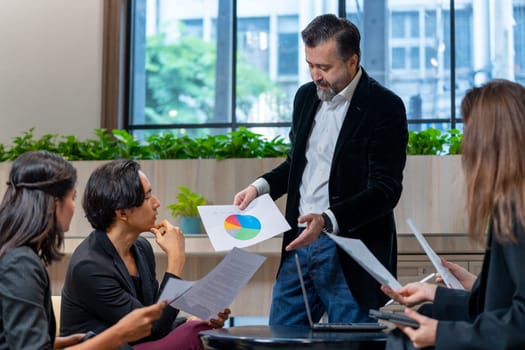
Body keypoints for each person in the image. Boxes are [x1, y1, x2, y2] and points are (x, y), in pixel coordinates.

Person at [234, 13, 408, 326]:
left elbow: (385, 190)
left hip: (348, 249)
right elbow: (296, 164)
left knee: (352, 346)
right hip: (298, 243)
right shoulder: (305, 97)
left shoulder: (384, 106)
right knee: (281, 338)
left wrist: (327, 220)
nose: (316, 75)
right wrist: (259, 188)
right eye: (310, 65)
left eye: (325, 67)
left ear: (352, 60)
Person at [381, 79, 525, 349]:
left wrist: (441, 335)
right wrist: (437, 292)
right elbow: (506, 300)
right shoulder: (511, 204)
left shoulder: (517, 212)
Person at [0, 150, 167, 350]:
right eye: (72, 197)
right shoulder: (21, 264)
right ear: (54, 204)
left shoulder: (20, 258)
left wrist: (64, 342)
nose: (74, 207)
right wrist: (119, 334)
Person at [60, 159, 230, 350]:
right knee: (192, 335)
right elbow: (153, 327)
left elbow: (154, 319)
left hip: (137, 343)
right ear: (123, 213)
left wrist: (190, 320)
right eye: (148, 197)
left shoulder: (141, 248)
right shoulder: (90, 266)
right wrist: (176, 261)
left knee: (201, 329)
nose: (157, 203)